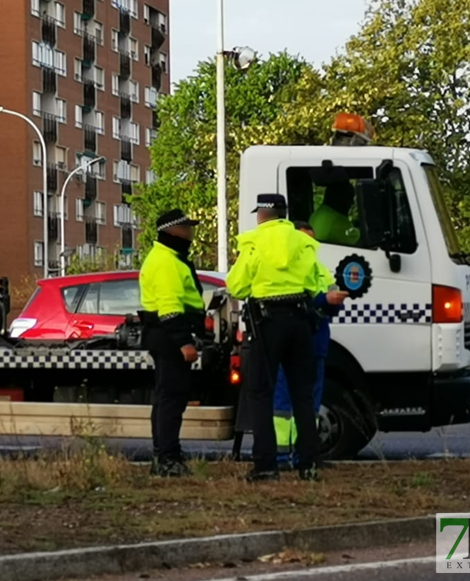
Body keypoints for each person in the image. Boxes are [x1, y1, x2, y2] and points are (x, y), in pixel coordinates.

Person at [226, 194, 323, 482]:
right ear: (283, 214)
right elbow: (315, 283)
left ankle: (266, 466)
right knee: (303, 395)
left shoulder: (253, 242)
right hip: (300, 322)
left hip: (267, 324)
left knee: (259, 393)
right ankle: (309, 465)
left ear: (262, 215)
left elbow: (237, 286)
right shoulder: (302, 242)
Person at [272, 221, 349, 466]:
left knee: (310, 403)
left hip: (316, 343)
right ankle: (282, 456)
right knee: (284, 404)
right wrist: (322, 300)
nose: (309, 246)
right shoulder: (285, 271)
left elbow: (332, 309)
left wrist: (331, 301)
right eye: (304, 241)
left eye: (312, 242)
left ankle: (306, 455)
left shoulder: (321, 271)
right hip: (293, 344)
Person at [139, 209, 206, 477]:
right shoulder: (166, 261)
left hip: (165, 335)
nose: (190, 232)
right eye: (186, 227)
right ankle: (166, 458)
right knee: (171, 399)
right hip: (169, 336)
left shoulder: (170, 258)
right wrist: (183, 342)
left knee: (169, 398)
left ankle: (166, 454)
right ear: (172, 231)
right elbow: (169, 307)